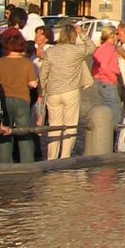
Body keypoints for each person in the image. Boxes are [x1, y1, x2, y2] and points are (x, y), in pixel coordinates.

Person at [38, 22, 95, 159]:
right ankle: (65, 156)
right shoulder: (76, 50)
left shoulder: (50, 51)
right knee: (70, 125)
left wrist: (43, 90)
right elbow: (92, 48)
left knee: (54, 126)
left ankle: (52, 157)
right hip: (71, 91)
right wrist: (82, 34)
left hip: (53, 92)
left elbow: (43, 74)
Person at [0, 29, 38, 163]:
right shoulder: (27, 63)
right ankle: (27, 162)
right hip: (22, 99)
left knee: (5, 132)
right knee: (24, 132)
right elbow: (33, 84)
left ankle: (4, 163)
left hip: (4, 100)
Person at [91, 25, 125, 127]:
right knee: (115, 115)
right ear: (112, 35)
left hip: (103, 83)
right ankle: (111, 139)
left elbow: (95, 68)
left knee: (108, 113)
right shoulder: (109, 48)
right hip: (109, 83)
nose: (118, 37)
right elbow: (104, 66)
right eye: (116, 34)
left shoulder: (101, 48)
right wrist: (113, 79)